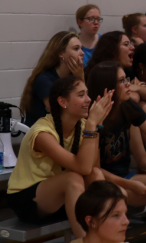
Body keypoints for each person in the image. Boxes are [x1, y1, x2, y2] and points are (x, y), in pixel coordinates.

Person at [8, 76, 113, 238]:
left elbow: (93, 168)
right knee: (73, 179)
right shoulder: (42, 132)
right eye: (81, 95)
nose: (89, 99)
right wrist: (92, 124)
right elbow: (82, 167)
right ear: (63, 102)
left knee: (96, 175)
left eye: (88, 94)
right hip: (28, 199)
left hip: (63, 197)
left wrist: (96, 126)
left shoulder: (84, 126)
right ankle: (85, 241)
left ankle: (106, 236)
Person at [87, 61, 146, 228]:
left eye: (127, 79)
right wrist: (129, 184)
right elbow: (94, 170)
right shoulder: (92, 117)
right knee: (119, 195)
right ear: (108, 87)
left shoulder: (126, 104)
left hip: (126, 177)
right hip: (103, 182)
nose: (128, 85)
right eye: (122, 81)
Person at [21, 31, 85, 126]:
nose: (82, 53)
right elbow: (59, 113)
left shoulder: (74, 75)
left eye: (81, 48)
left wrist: (80, 77)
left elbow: (84, 106)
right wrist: (80, 78)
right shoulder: (43, 79)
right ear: (61, 53)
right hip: (40, 134)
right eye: (76, 49)